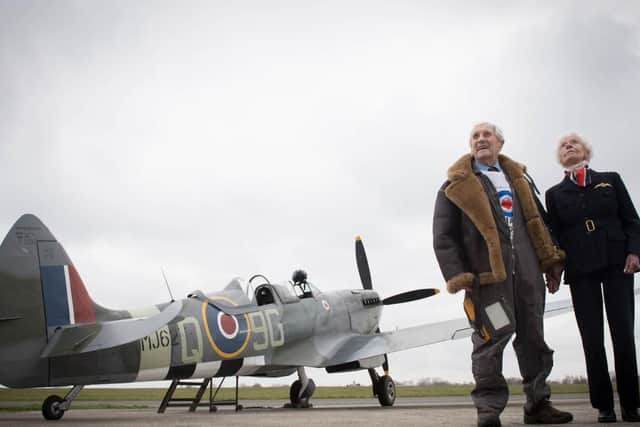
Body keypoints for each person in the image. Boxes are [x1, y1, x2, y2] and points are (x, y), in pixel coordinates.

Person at [433, 122, 573, 427]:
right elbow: (443, 238)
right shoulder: (453, 189)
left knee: (534, 340)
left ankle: (538, 405)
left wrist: (549, 262)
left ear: (500, 143)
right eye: (475, 136)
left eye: (487, 135)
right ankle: (488, 410)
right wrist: (460, 277)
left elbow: (539, 224)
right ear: (470, 145)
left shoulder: (519, 180)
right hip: (489, 285)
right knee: (492, 340)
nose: (481, 139)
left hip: (528, 280)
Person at [545, 133, 640, 423]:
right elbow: (555, 236)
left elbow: (632, 220)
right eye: (563, 145)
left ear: (586, 150)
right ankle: (604, 406)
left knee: (623, 333)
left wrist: (634, 252)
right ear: (560, 157)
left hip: (617, 262)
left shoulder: (610, 180)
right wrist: (555, 269)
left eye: (573, 142)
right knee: (592, 337)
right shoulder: (554, 194)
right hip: (581, 267)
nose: (568, 146)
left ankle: (632, 403)